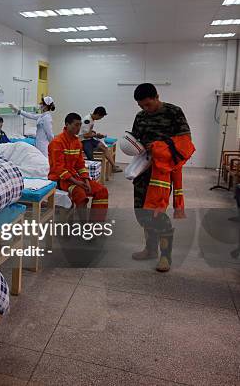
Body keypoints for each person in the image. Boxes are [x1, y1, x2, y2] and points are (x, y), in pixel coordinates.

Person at [130, 83, 192, 272]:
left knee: (157, 213)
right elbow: (135, 139)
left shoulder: (174, 112)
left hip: (162, 173)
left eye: (148, 105)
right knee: (141, 212)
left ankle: (166, 257)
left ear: (157, 97)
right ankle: (150, 250)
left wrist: (158, 146)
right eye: (141, 106)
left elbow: (185, 141)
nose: (145, 110)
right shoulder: (140, 116)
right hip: (143, 169)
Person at [48, 113, 108, 221]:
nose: (78, 128)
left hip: (74, 177)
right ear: (67, 124)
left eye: (80, 125)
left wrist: (86, 180)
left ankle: (96, 224)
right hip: (59, 179)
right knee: (80, 194)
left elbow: (80, 164)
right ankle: (84, 227)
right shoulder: (57, 142)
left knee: (102, 191)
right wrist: (77, 182)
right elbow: (58, 169)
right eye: (76, 125)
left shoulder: (77, 143)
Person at [79, 106, 122, 173]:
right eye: (100, 117)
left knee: (104, 147)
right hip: (83, 141)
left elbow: (89, 132)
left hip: (89, 139)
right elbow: (84, 135)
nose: (100, 119)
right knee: (91, 159)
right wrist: (95, 135)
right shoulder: (87, 120)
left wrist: (95, 134)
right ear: (97, 114)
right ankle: (92, 174)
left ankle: (114, 167)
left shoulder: (92, 119)